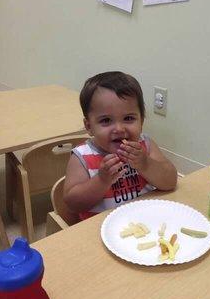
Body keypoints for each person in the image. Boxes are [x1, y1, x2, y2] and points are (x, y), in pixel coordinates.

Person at [64, 71, 177, 220]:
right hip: (100, 231)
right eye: (106, 120)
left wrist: (145, 164)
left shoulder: (145, 145)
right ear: (89, 126)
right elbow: (72, 204)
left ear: (141, 121)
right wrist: (101, 180)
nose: (119, 129)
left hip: (146, 222)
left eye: (128, 118)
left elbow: (171, 181)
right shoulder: (83, 156)